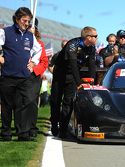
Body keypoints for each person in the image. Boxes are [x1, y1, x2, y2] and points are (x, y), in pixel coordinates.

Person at [0, 7, 42, 141]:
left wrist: (34, 62)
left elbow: (39, 50)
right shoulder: (5, 32)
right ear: (17, 19)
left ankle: (22, 133)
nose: (27, 23)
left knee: (22, 105)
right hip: (7, 75)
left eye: (29, 21)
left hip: (24, 76)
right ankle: (6, 133)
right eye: (25, 20)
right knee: (6, 106)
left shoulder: (30, 35)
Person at [50, 26, 98, 138]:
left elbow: (92, 65)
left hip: (71, 75)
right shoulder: (72, 44)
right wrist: (79, 83)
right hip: (60, 73)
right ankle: (54, 124)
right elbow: (73, 64)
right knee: (56, 101)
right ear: (88, 37)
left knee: (68, 102)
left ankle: (63, 130)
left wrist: (91, 81)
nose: (97, 38)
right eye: (95, 36)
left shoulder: (91, 47)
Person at [27, 18, 49, 138]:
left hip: (33, 77)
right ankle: (21, 128)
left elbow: (44, 62)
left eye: (32, 27)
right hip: (19, 75)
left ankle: (31, 128)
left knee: (32, 103)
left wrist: (34, 70)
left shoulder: (40, 44)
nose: (30, 28)